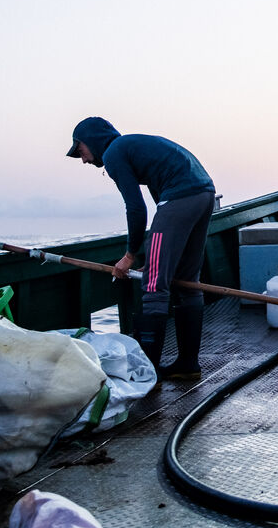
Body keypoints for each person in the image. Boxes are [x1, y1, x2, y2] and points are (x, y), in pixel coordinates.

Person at [67, 117, 215, 380]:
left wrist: (129, 255)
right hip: (204, 194)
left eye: (81, 151)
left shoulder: (113, 153)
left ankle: (149, 374)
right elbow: (158, 198)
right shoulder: (132, 146)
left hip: (180, 197)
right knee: (187, 282)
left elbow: (136, 208)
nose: (83, 160)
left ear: (93, 141)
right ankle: (188, 366)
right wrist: (159, 260)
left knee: (153, 286)